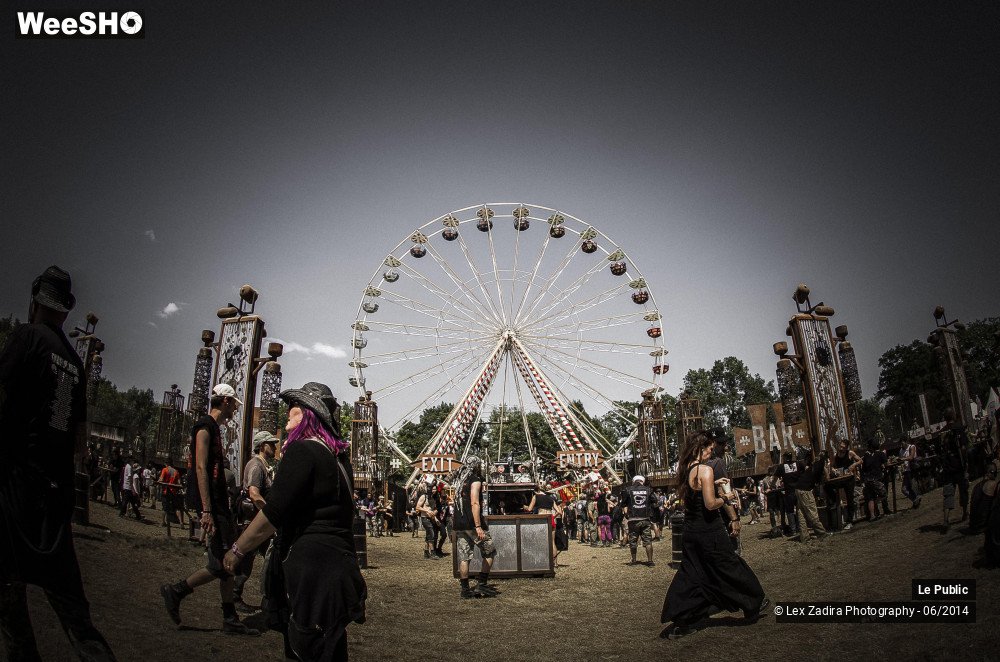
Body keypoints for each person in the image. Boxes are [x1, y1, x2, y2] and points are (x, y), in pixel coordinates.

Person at [0, 266, 118, 661]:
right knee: (74, 614)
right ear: (65, 312)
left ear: (35, 300)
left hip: (15, 489)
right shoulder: (73, 361)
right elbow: (79, 439)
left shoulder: (27, 337)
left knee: (9, 600)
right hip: (54, 495)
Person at [223, 381, 366, 660]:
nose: (289, 410)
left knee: (306, 648)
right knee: (329, 648)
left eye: (295, 407)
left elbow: (274, 513)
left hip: (312, 569)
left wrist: (238, 549)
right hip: (337, 568)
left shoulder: (303, 451)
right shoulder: (338, 460)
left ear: (311, 414)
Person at [159, 383, 258, 635]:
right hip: (212, 505)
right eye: (234, 403)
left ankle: (230, 618)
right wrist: (206, 509)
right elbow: (201, 468)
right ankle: (177, 590)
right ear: (224, 401)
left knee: (227, 563)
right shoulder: (204, 428)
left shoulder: (213, 429)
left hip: (217, 504)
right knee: (222, 564)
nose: (236, 408)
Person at [661, 432, 768, 639]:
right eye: (709, 449)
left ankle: (684, 616)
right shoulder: (706, 470)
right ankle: (754, 601)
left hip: (691, 532)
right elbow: (710, 504)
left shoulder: (685, 470)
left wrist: (714, 486)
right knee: (730, 565)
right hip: (710, 530)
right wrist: (726, 496)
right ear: (700, 448)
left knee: (692, 573)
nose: (712, 453)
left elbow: (697, 493)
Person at [232, 430, 277, 613]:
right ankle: (233, 597)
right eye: (270, 444)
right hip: (253, 523)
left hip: (260, 523)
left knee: (270, 559)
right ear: (261, 446)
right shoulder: (256, 466)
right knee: (244, 561)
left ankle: (271, 600)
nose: (274, 446)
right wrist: (270, 512)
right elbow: (253, 493)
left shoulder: (264, 467)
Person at [451, 456, 498, 599]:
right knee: (490, 551)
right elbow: (475, 503)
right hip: (472, 524)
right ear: (477, 466)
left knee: (464, 557)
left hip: (459, 524)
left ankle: (465, 590)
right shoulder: (475, 480)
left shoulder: (459, 482)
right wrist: (478, 526)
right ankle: (482, 583)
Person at [794, 450, 830, 542]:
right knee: (812, 511)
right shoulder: (821, 463)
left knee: (801, 513)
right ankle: (821, 533)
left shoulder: (814, 464)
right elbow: (827, 477)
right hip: (805, 489)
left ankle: (804, 537)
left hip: (798, 488)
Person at [826, 440, 861, 531]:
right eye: (840, 446)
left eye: (843, 447)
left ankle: (850, 521)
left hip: (849, 478)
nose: (841, 448)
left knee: (849, 498)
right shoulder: (836, 455)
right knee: (829, 487)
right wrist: (834, 470)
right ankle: (836, 507)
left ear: (846, 447)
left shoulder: (850, 453)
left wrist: (854, 465)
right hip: (841, 477)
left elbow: (860, 460)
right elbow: (832, 466)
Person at [622, 475, 654, 566]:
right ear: (642, 481)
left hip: (633, 519)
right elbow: (655, 500)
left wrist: (626, 514)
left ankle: (634, 560)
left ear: (633, 481)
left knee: (633, 540)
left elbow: (623, 504)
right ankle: (650, 561)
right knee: (647, 540)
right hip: (645, 518)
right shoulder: (648, 489)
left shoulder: (628, 489)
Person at [860, 439, 889, 521]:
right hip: (876, 478)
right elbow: (886, 464)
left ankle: (872, 515)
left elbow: (864, 468)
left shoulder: (866, 456)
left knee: (870, 497)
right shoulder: (881, 454)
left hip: (867, 479)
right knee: (883, 493)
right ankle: (879, 505)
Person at [415, 478, 440, 559]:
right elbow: (418, 507)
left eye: (433, 488)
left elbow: (435, 508)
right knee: (431, 534)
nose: (432, 490)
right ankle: (432, 553)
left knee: (428, 535)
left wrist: (434, 515)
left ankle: (426, 552)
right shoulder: (423, 496)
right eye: (430, 488)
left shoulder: (434, 498)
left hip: (431, 518)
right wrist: (427, 510)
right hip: (424, 518)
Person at [899, 438, 922, 509]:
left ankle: (916, 502)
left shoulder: (911, 447)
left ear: (906, 442)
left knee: (913, 487)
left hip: (912, 470)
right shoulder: (901, 450)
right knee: (904, 489)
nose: (901, 445)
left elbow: (911, 457)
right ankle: (915, 500)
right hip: (906, 471)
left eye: (902, 443)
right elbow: (901, 460)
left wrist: (902, 459)